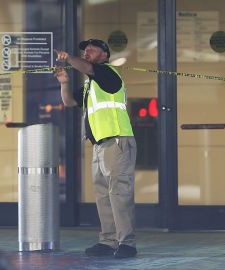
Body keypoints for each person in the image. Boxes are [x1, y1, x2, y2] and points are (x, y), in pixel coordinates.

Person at [54, 39, 137, 259]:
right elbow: (70, 102)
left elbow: (87, 67)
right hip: (100, 144)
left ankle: (126, 243)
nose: (86, 52)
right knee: (103, 195)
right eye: (84, 50)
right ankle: (108, 241)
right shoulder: (91, 84)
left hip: (118, 140)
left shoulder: (107, 73)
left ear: (105, 55)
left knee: (119, 193)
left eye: (92, 49)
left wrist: (68, 58)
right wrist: (64, 82)